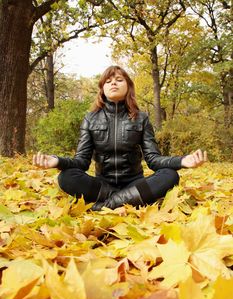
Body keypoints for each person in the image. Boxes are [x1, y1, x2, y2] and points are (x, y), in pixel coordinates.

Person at [33, 65, 207, 211]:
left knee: (170, 175)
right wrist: (57, 161)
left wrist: (183, 161)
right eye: (108, 81)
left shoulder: (141, 118)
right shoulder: (90, 119)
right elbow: (81, 162)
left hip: (134, 184)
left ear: (128, 86)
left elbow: (154, 160)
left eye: (119, 79)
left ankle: (105, 206)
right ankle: (127, 202)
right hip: (103, 186)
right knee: (66, 177)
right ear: (102, 89)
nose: (113, 83)